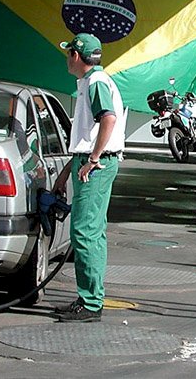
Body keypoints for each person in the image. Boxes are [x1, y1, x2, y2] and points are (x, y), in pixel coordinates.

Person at [52, 33, 126, 322]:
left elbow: (107, 118)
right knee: (92, 232)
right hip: (93, 162)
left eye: (69, 51)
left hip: (98, 164)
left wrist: (93, 159)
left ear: (76, 55)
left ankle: (91, 302)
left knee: (84, 232)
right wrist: (65, 172)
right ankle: (90, 298)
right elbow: (87, 133)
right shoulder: (91, 82)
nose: (67, 57)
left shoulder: (95, 83)